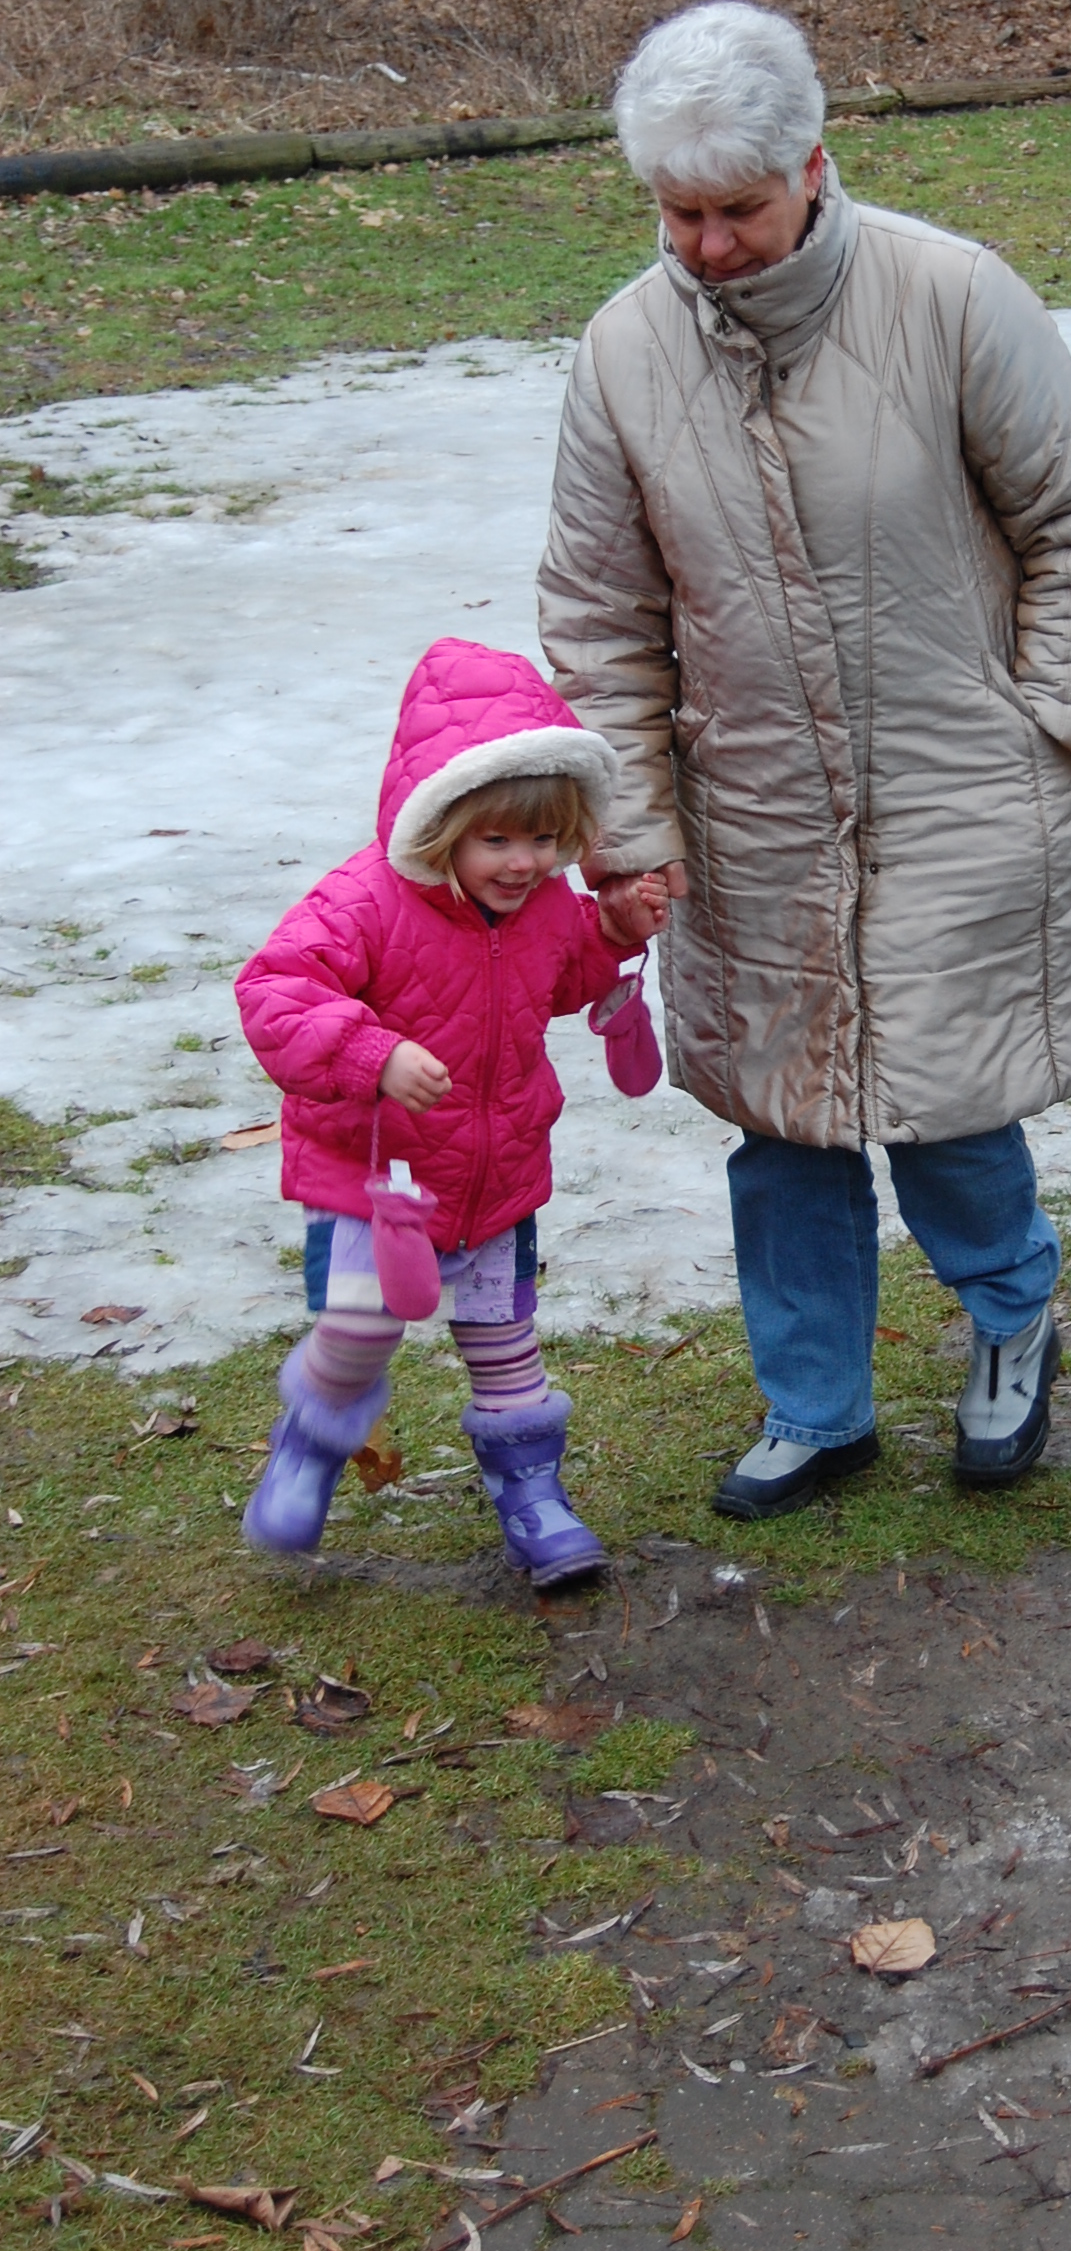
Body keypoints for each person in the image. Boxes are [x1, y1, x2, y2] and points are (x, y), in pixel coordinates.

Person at [539, 0, 1071, 1520]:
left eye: (737, 210)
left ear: (813, 168)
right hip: (748, 809)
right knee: (784, 1125)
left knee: (949, 1099)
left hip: (956, 783)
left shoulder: (951, 296)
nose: (706, 246)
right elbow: (602, 616)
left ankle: (1011, 1318)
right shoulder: (622, 353)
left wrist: (1050, 712)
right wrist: (633, 828)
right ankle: (815, 1406)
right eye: (678, 213)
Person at [234, 638, 667, 1583]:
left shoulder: (545, 905)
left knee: (507, 1351)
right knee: (358, 1333)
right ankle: (310, 1441)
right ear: (440, 823)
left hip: (497, 1179)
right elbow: (274, 992)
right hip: (376, 1185)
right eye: (498, 840)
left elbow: (560, 978)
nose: (525, 862)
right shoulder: (362, 902)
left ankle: (533, 1497)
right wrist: (374, 1054)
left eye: (545, 839)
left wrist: (614, 932)